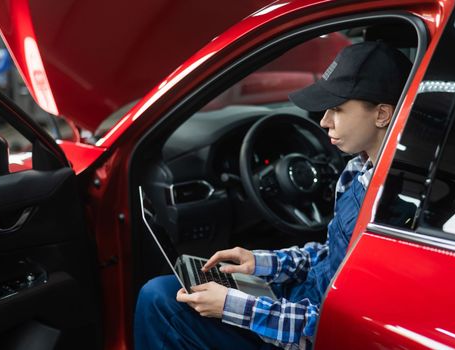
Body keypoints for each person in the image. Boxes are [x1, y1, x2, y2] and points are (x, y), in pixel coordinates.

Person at [134, 41, 412, 349]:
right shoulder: (357, 170)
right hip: (301, 298)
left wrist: (232, 306)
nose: (324, 121)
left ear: (383, 114)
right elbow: (334, 253)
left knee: (159, 302)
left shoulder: (394, 208)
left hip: (307, 328)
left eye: (337, 109)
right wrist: (262, 263)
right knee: (168, 291)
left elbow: (336, 328)